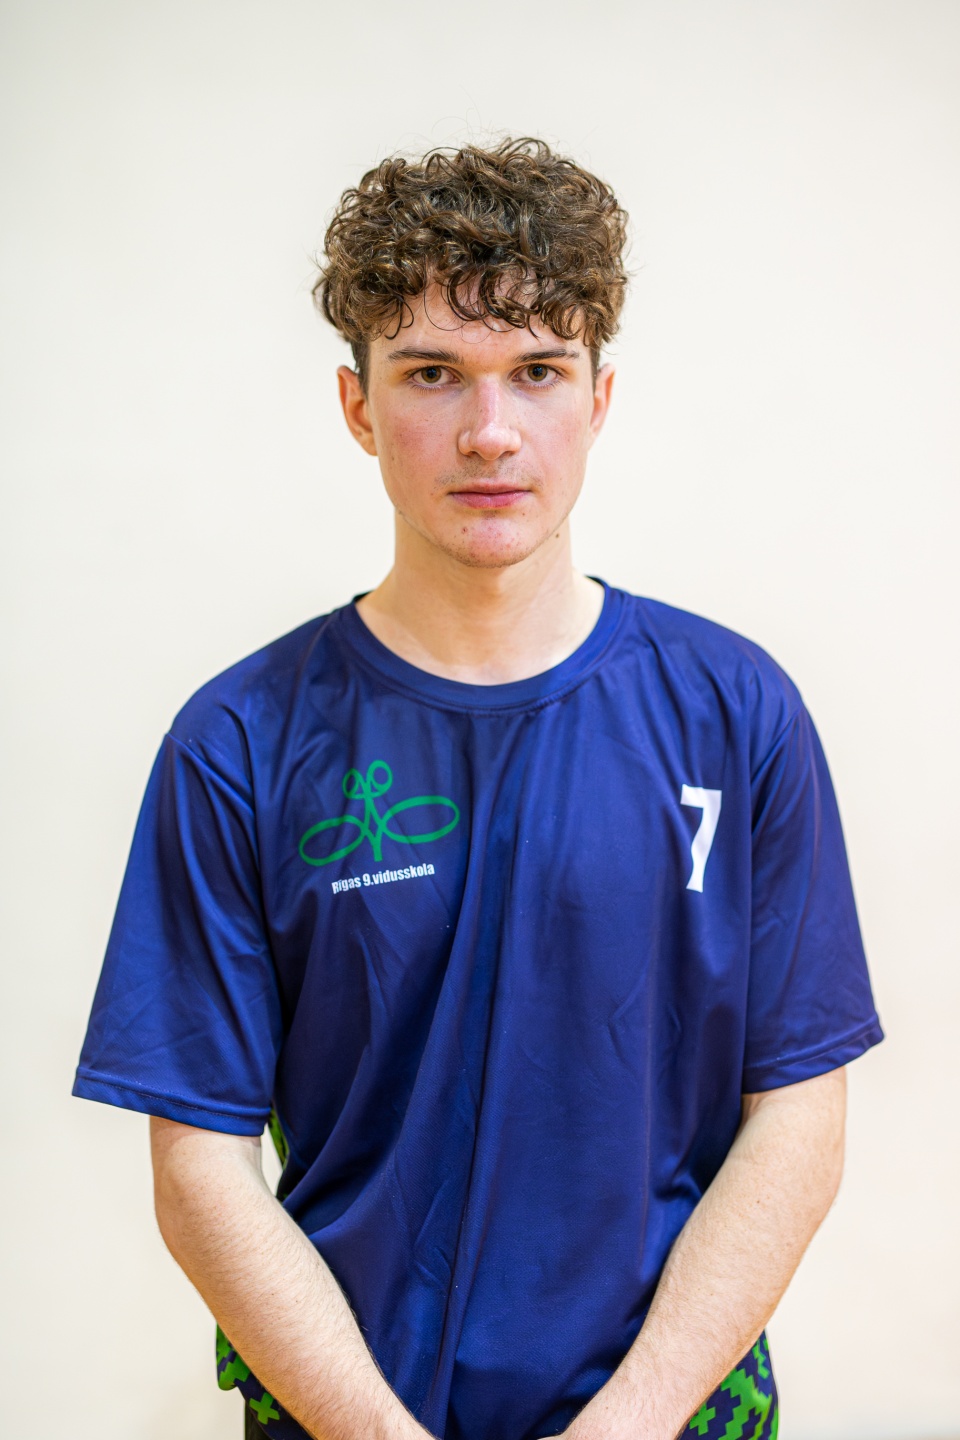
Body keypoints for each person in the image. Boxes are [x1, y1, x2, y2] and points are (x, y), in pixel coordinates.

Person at [73, 137, 884, 1440]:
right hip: (347, 1414)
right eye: (433, 373)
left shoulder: (738, 714)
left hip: (674, 1414)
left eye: (538, 372)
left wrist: (629, 1423)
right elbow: (199, 1164)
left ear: (599, 400)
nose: (491, 431)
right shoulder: (239, 742)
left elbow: (797, 1112)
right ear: (358, 407)